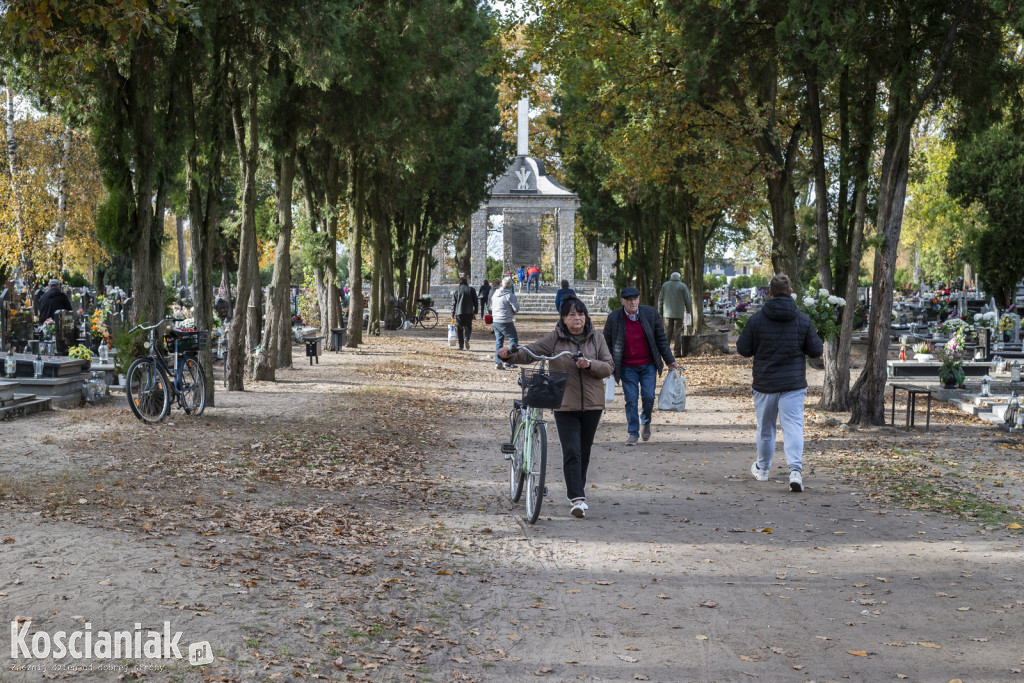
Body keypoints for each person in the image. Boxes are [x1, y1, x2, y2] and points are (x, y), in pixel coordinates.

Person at [499, 297, 614, 518]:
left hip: (593, 404)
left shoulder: (597, 338)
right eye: (571, 315)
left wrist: (589, 364)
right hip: (564, 404)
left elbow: (608, 366)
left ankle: (577, 490)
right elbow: (531, 351)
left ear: (586, 317)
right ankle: (577, 498)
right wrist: (511, 354)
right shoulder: (555, 339)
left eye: (580, 314)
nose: (577, 318)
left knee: (584, 451)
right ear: (563, 318)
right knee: (571, 450)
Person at [735, 273, 823, 493]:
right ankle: (795, 471)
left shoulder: (756, 320)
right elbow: (816, 350)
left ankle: (763, 469)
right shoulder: (803, 320)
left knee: (766, 428)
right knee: (793, 427)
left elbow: (743, 349)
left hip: (765, 383)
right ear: (791, 292)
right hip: (793, 384)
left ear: (770, 292)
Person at [603, 286, 678, 445]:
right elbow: (606, 344)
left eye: (635, 299)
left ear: (639, 300)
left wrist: (670, 361)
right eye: (629, 300)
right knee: (631, 399)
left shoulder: (650, 314)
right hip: (626, 367)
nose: (633, 302)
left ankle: (646, 420)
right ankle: (633, 433)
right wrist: (607, 365)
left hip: (648, 365)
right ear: (622, 301)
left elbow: (661, 339)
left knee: (649, 396)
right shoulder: (614, 318)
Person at [657, 271, 693, 358]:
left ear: (671, 277)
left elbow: (660, 299)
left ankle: (665, 353)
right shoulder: (683, 286)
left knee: (667, 333)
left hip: (667, 314)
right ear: (679, 277)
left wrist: (660, 312)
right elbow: (688, 299)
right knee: (678, 333)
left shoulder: (665, 285)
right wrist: (688, 310)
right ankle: (677, 353)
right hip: (679, 314)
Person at [491, 276, 520, 369]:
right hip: (505, 320)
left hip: (495, 320)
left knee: (499, 341)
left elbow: (491, 306)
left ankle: (498, 362)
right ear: (510, 286)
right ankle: (508, 360)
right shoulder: (509, 295)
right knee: (513, 339)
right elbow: (516, 308)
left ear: (502, 284)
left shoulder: (495, 293)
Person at [451, 276, 478, 350]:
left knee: (459, 328)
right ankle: (467, 337)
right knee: (468, 327)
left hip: (459, 311)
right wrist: (476, 310)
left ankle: (461, 346)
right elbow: (476, 301)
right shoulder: (471, 289)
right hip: (469, 311)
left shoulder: (457, 289)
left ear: (460, 282)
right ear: (467, 282)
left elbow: (454, 303)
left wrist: (452, 314)